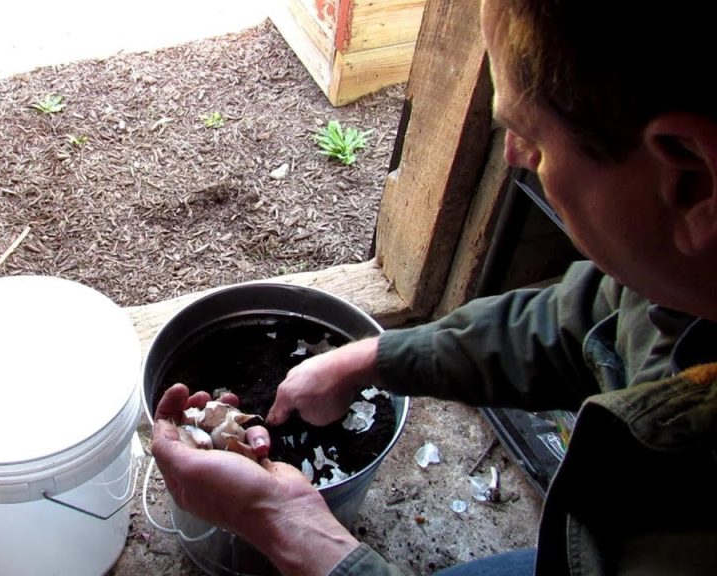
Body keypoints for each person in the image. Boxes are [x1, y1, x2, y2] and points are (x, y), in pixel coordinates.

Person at [150, 0, 717, 574]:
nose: (514, 159)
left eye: (531, 136)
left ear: (691, 179)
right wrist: (366, 359)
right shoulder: (682, 289)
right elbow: (588, 318)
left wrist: (289, 527)